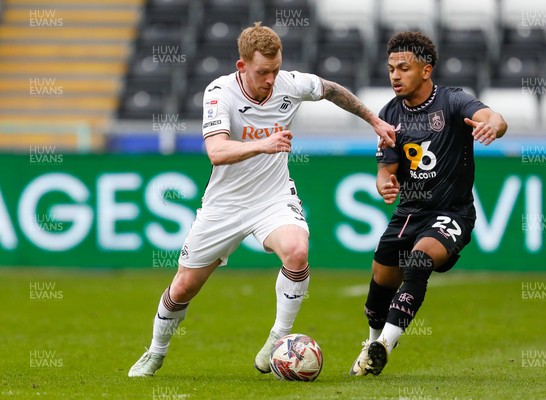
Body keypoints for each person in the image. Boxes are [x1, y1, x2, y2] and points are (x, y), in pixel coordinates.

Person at [128, 22, 396, 377]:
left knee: (297, 252)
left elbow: (331, 90)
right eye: (263, 72)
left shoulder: (290, 84)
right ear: (242, 67)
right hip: (225, 204)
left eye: (276, 70)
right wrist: (264, 144)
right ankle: (156, 352)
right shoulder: (219, 92)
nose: (271, 79)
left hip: (273, 197)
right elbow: (216, 151)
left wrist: (374, 121)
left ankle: (277, 339)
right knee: (183, 287)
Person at [349, 31, 508, 376]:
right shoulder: (389, 113)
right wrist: (384, 184)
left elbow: (493, 118)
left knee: (419, 260)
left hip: (451, 213)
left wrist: (492, 127)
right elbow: (384, 169)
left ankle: (385, 345)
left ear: (426, 69)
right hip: (408, 214)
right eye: (391, 68)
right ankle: (371, 346)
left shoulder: (452, 101)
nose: (394, 75)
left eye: (403, 68)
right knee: (378, 293)